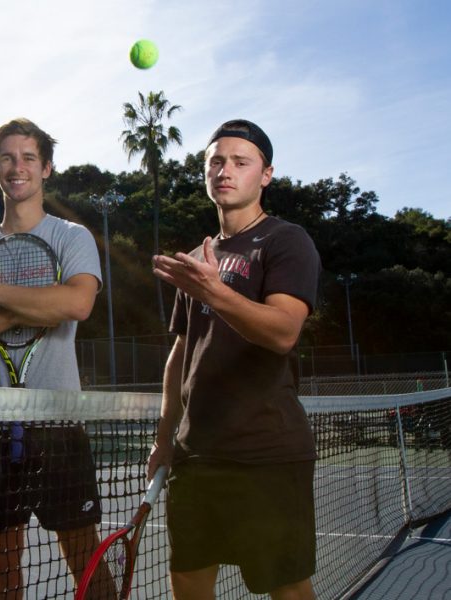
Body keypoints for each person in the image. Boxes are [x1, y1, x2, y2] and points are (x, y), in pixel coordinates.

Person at [0, 118, 115, 599]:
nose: (18, 167)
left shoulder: (71, 238)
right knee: (2, 568)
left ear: (46, 168)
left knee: (84, 556)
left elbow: (76, 304)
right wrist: (31, 310)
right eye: (7, 158)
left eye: (28, 158)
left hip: (57, 421)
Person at [146, 120, 321, 600]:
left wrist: (214, 291)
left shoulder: (287, 241)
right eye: (216, 161)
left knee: (286, 589)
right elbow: (182, 354)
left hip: (266, 454)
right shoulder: (202, 256)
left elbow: (283, 331)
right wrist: (165, 439)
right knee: (188, 583)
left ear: (265, 174)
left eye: (241, 162)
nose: (226, 170)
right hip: (196, 456)